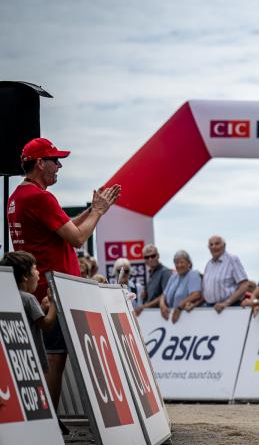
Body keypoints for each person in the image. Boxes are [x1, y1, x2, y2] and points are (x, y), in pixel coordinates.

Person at [6, 137, 120, 411]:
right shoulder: (39, 196)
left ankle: (50, 424)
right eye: (55, 161)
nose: (59, 166)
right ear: (40, 163)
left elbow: (66, 229)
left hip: (42, 288)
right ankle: (51, 424)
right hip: (53, 292)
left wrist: (94, 210)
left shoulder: (19, 196)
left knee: (50, 358)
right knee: (54, 360)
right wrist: (100, 213)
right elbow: (78, 238)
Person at [1, 251, 55, 373]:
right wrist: (54, 303)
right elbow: (46, 324)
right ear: (25, 276)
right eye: (35, 269)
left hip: (17, 359)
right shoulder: (28, 298)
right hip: (32, 359)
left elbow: (30, 320)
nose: (38, 273)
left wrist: (41, 308)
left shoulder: (7, 296)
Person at [201, 235, 250, 312]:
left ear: (224, 245)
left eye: (217, 244)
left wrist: (226, 303)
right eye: (211, 245)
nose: (214, 247)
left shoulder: (232, 260)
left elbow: (244, 285)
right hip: (210, 308)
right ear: (208, 248)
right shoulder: (209, 264)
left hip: (229, 308)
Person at [160, 250, 203, 323]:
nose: (179, 265)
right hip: (170, 316)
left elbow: (196, 294)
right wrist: (162, 305)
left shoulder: (193, 274)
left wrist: (180, 306)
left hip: (186, 316)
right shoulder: (173, 276)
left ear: (189, 263)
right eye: (176, 263)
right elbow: (164, 294)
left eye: (181, 262)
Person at [134, 244, 171, 317]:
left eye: (153, 256)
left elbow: (165, 295)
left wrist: (144, 307)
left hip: (161, 315)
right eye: (147, 257)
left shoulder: (165, 272)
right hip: (152, 314)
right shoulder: (151, 273)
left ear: (158, 256)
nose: (150, 259)